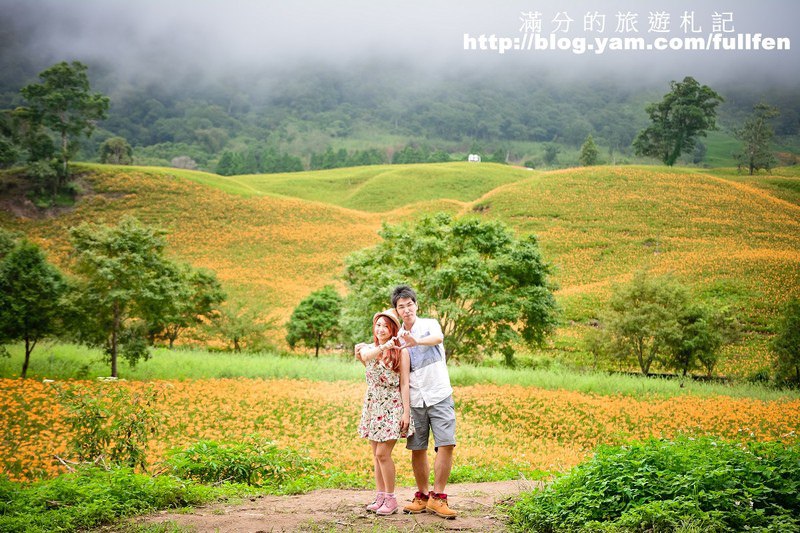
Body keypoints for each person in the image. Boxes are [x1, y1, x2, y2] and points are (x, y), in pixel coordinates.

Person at [392, 284, 457, 519]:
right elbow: (403, 377)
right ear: (397, 311)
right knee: (417, 448)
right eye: (402, 306)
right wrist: (405, 411)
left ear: (416, 305)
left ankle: (438, 497)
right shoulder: (397, 338)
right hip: (416, 399)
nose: (407, 309)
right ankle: (422, 496)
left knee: (446, 443)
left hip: (439, 394)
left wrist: (416, 341)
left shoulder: (429, 325)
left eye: (410, 304)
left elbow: (438, 338)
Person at [355, 309, 414, 516]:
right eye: (378, 325)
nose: (381, 329)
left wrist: (406, 413)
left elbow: (405, 383)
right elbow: (366, 356)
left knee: (383, 453)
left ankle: (391, 498)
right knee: (376, 455)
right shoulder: (367, 348)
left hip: (392, 405)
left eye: (386, 326)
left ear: (393, 329)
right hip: (373, 404)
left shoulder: (401, 352)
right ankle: (380, 495)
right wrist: (382, 347)